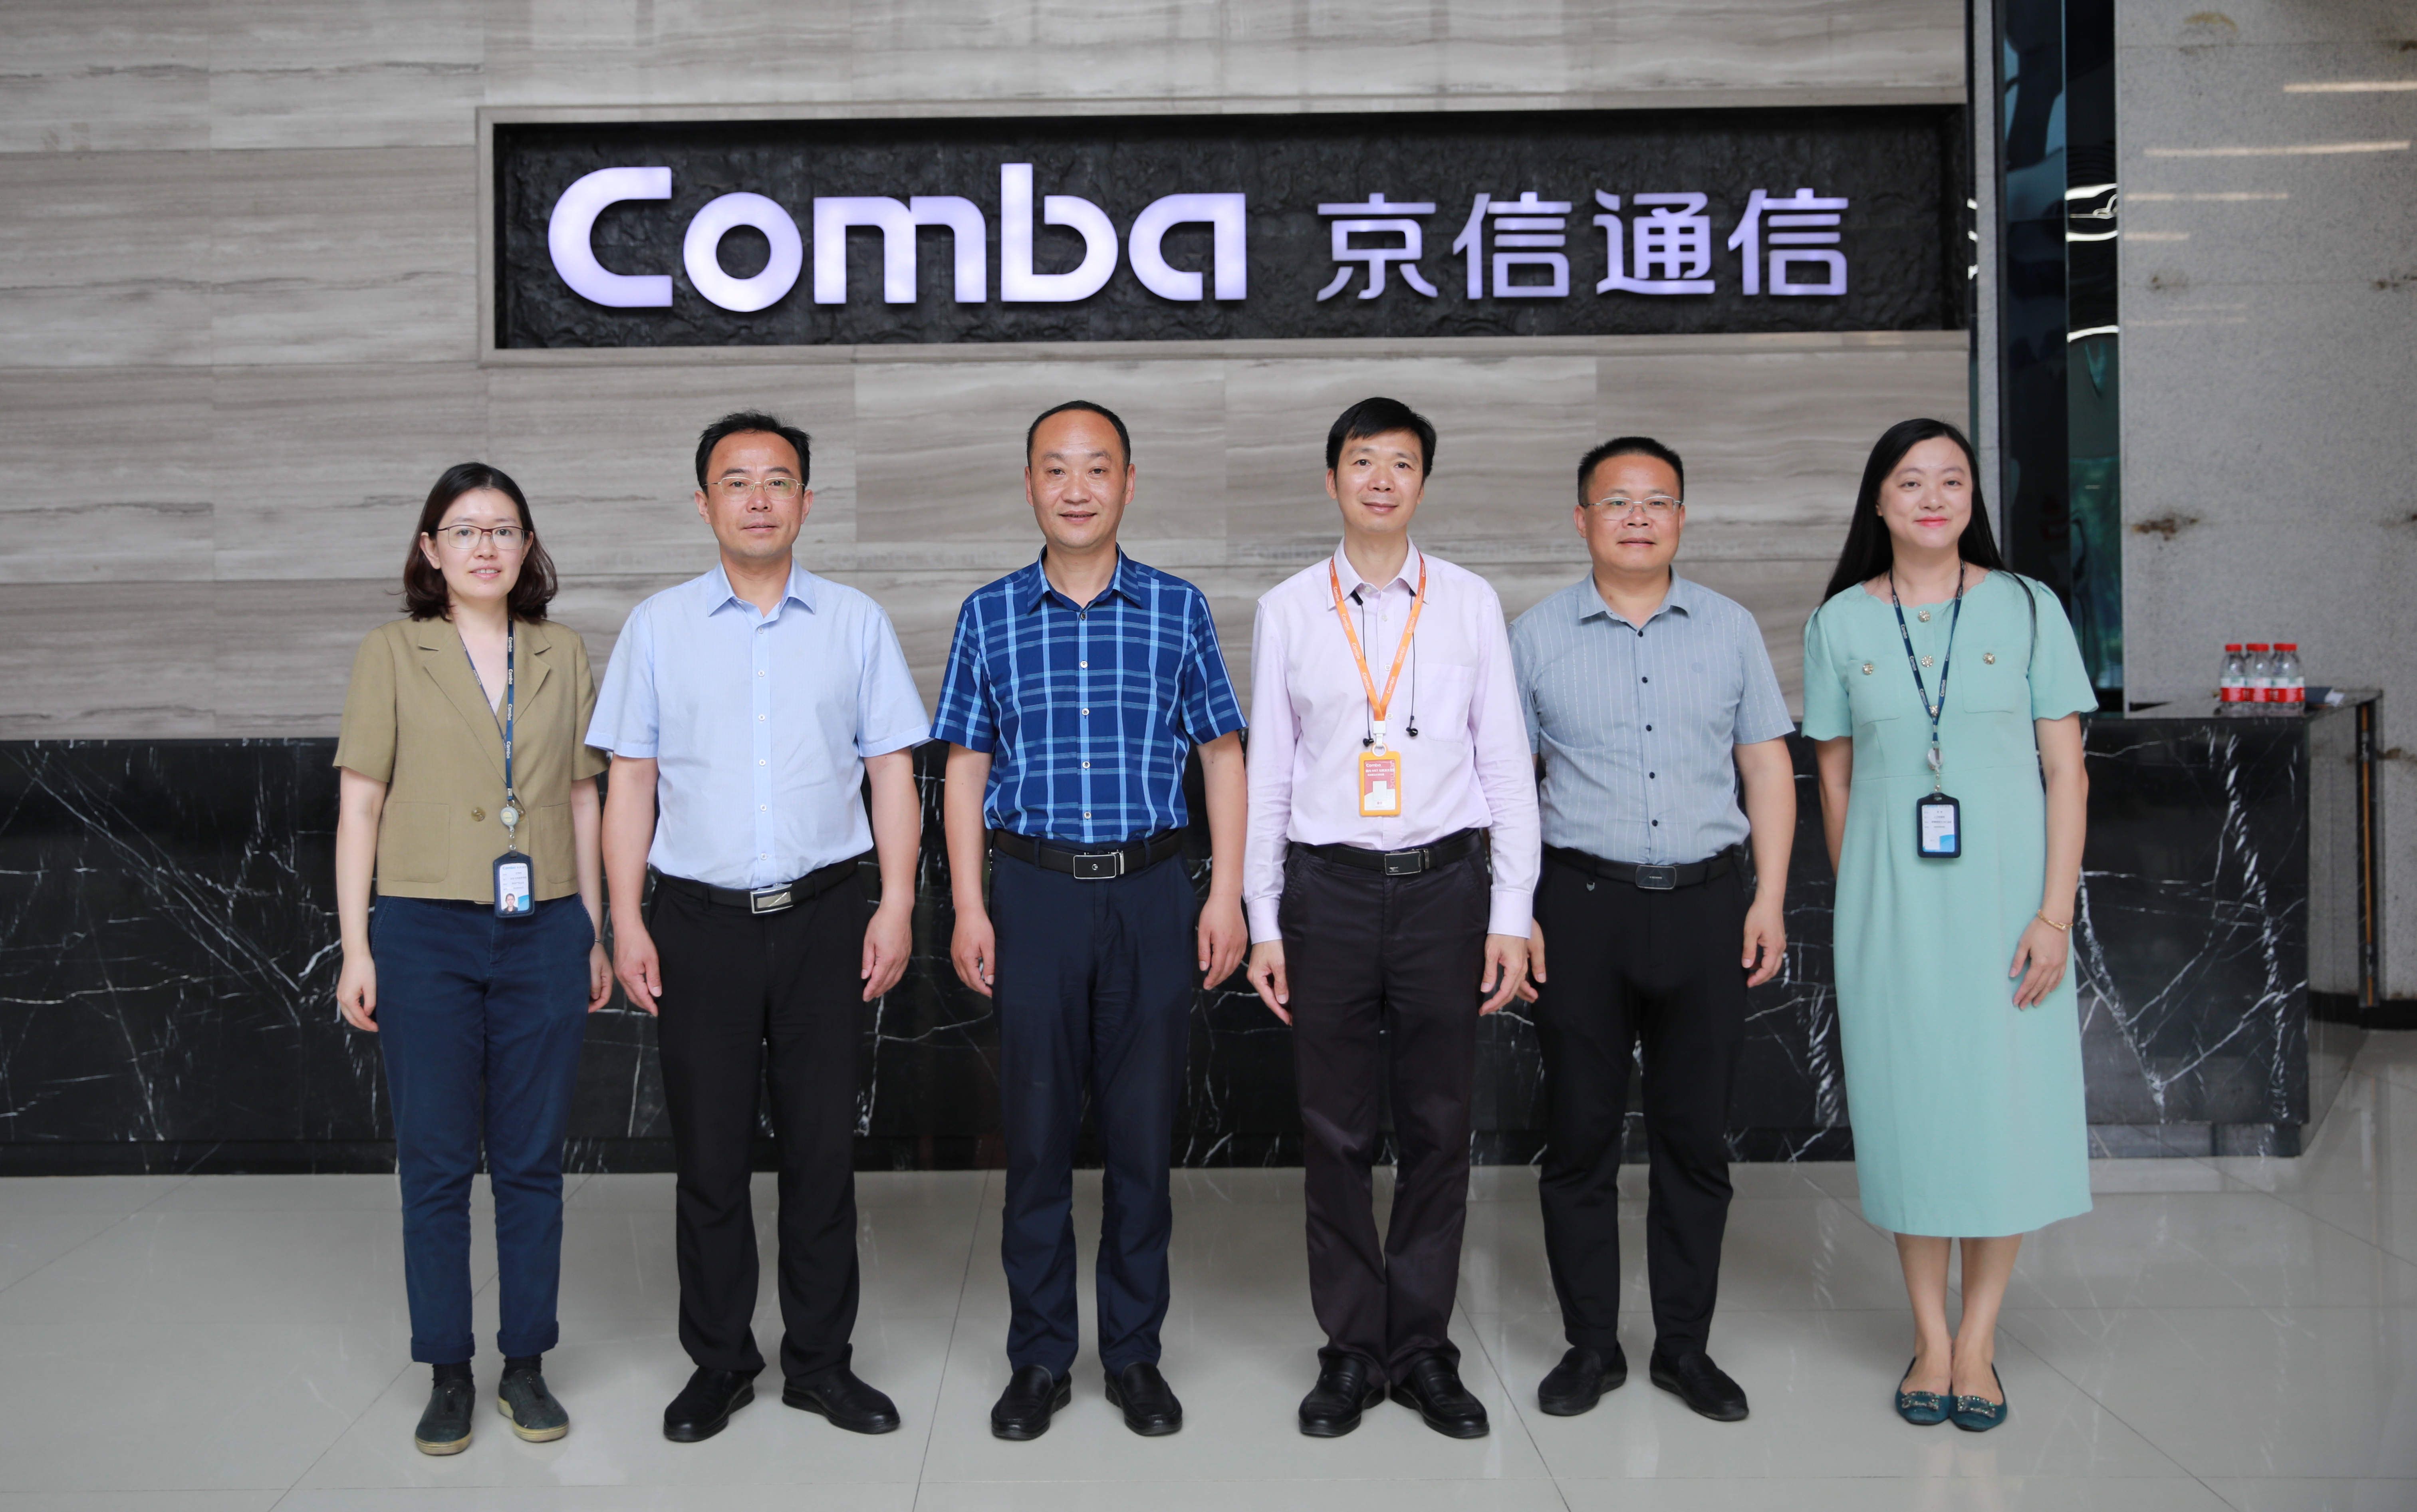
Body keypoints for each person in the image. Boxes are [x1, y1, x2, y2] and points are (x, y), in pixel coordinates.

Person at [589, 411, 928, 1444]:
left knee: (823, 1154)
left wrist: (897, 902)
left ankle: (820, 1364)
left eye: (778, 481)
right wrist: (625, 920)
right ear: (703, 504)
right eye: (735, 482)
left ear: (806, 502)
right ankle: (720, 1363)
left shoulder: (855, 622)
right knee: (709, 1158)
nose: (757, 499)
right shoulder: (657, 627)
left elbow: (891, 771)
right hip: (697, 926)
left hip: (826, 918)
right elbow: (630, 781)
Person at [936, 400, 1249, 1441]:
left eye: (1097, 467)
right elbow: (966, 764)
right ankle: (1038, 1358)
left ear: (1128, 482)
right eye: (1056, 469)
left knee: (1141, 1139)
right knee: (1033, 1140)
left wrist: (1224, 893)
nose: (1077, 488)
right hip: (1031, 894)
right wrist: (968, 902)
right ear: (1029, 483)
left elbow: (1221, 755)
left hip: (1152, 893)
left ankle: (1133, 1354)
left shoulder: (1176, 607)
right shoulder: (988, 613)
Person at [1242, 397, 1539, 1440]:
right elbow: (1269, 775)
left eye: (1400, 463)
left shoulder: (1467, 602)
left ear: (1423, 481)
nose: (1380, 480)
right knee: (1331, 1130)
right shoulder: (1287, 609)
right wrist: (1263, 918)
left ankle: (1419, 1348)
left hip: (1443, 890)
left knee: (1437, 1125)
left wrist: (1510, 910)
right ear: (1331, 479)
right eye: (1361, 462)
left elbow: (1504, 763)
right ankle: (1349, 1349)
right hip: (1325, 891)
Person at [1802, 417, 2095, 1433]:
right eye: (1910, 481)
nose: (1932, 498)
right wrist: (1863, 903)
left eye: (1951, 481)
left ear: (1972, 497)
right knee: (1912, 1117)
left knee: (1995, 1116)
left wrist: (2053, 914)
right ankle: (1928, 1337)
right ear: (1877, 501)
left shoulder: (2027, 607)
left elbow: (2065, 772)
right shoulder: (1839, 623)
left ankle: (1978, 1341)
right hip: (1891, 915)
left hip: (2009, 910)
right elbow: (1835, 781)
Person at [1509, 435, 1796, 1424]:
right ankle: (1589, 1346)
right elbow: (1505, 787)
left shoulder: (1729, 628)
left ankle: (1683, 1348)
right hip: (1578, 909)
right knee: (1578, 1139)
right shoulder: (1534, 636)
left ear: (1680, 517)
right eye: (1616, 501)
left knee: (1693, 1141)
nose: (1637, 517)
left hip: (1709, 904)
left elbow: (1765, 767)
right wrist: (1514, 911)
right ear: (1580, 519)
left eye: (1656, 500)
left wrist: (1767, 898)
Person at [333, 462, 612, 1456]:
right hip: (425, 930)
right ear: (430, 548)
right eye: (463, 530)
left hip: (544, 927)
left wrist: (591, 929)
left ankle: (525, 1364)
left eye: (503, 529)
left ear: (527, 547)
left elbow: (582, 797)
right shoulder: (391, 651)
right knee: (437, 1162)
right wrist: (357, 945)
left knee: (532, 1161)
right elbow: (360, 803)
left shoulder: (561, 651)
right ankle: (447, 1371)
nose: (484, 547)